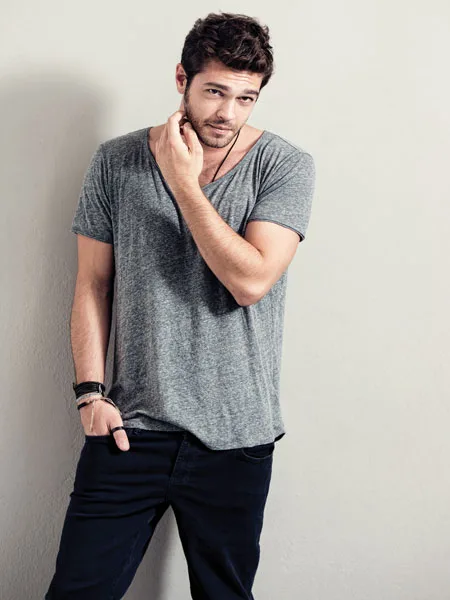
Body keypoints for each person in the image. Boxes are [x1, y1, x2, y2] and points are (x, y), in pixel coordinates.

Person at [44, 11, 316, 600]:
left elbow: (250, 282)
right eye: (215, 91)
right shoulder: (116, 160)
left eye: (246, 98)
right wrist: (90, 396)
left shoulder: (284, 165)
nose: (228, 112)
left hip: (236, 438)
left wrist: (185, 185)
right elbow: (92, 284)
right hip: (129, 429)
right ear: (181, 80)